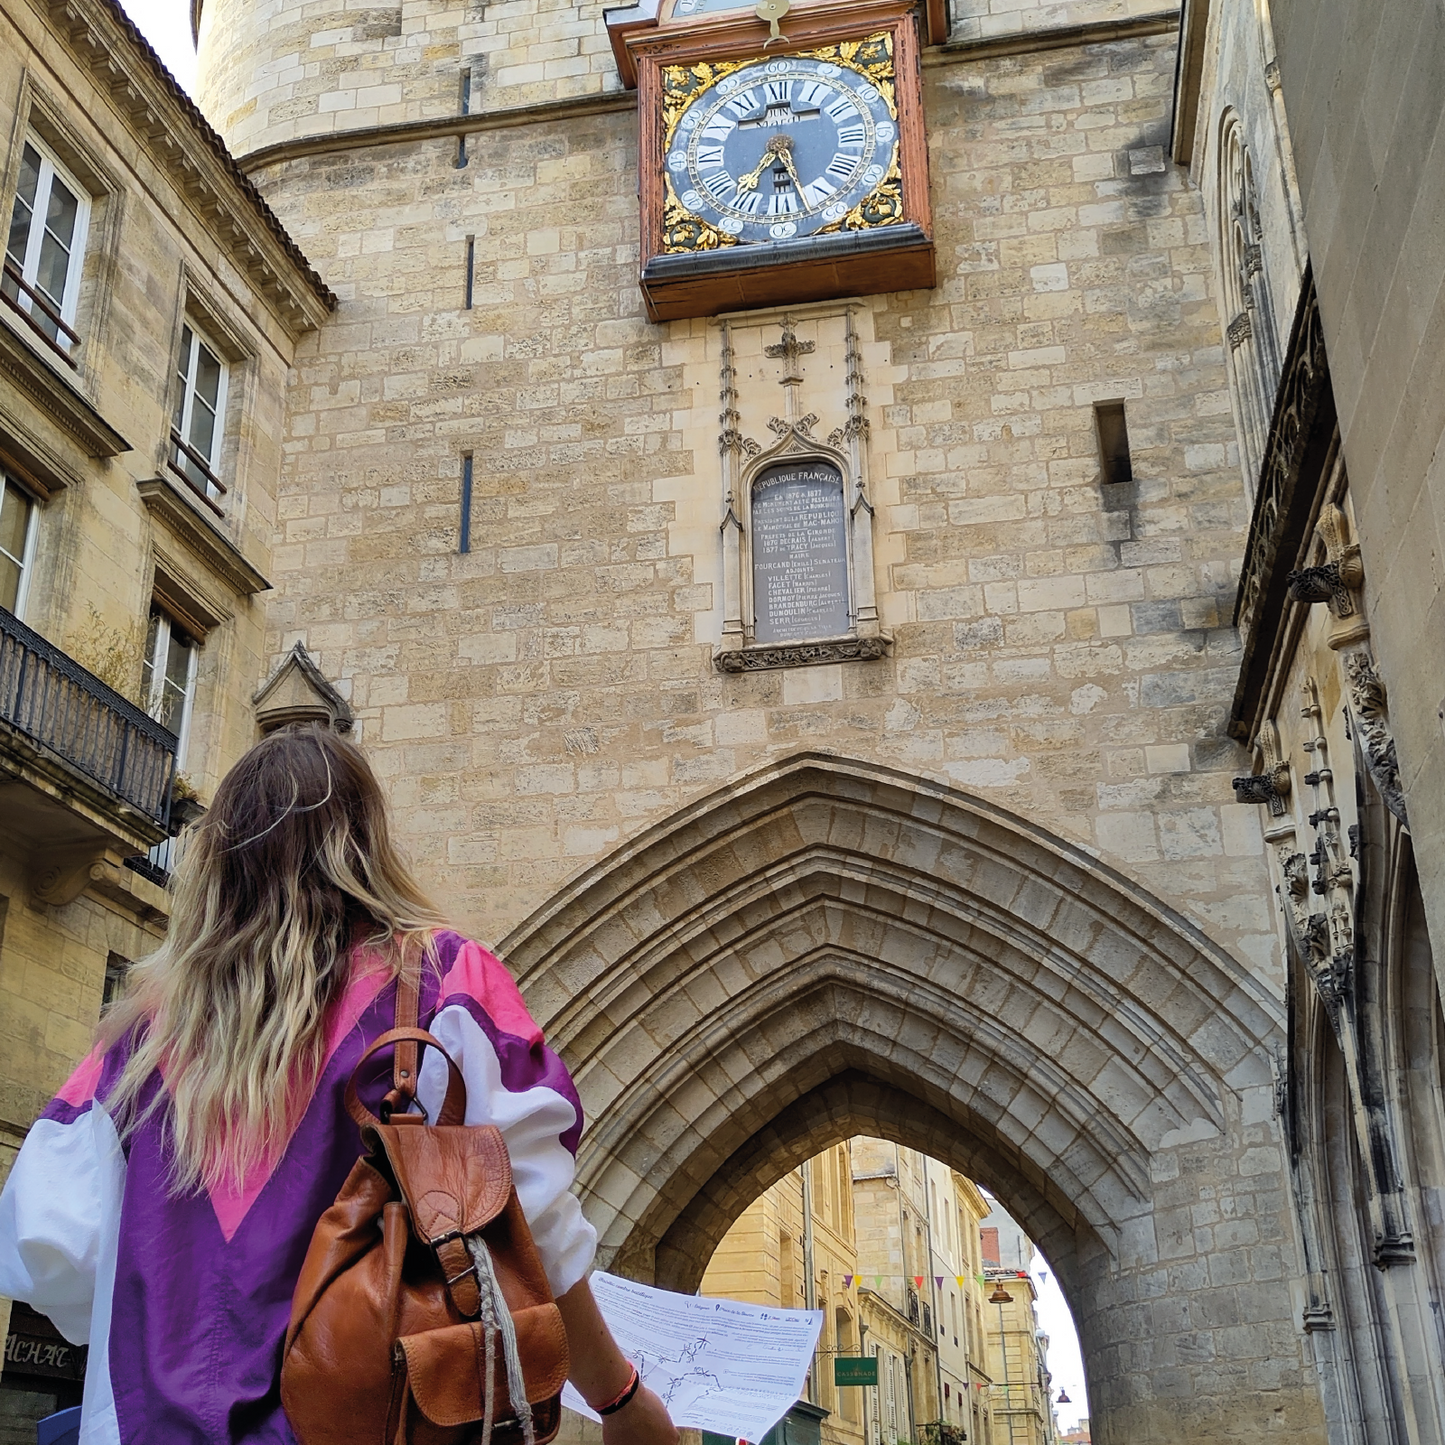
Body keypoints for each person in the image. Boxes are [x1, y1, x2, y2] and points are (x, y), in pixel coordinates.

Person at [0, 726, 678, 1445]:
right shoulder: (448, 983)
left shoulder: (137, 1040)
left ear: (219, 857)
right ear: (365, 842)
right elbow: (531, 1224)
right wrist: (619, 1397)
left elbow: (45, 1247)